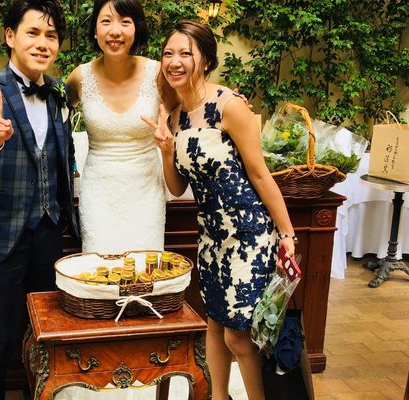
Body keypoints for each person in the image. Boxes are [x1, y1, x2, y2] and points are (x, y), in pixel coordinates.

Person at [142, 21, 297, 400]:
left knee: (238, 336)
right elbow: (177, 187)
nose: (174, 61)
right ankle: (218, 396)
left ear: (207, 60)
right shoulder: (176, 116)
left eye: (186, 53)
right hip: (212, 238)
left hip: (249, 234)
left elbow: (260, 176)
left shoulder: (230, 106)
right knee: (213, 323)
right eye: (168, 53)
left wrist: (287, 234)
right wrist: (166, 149)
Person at [0, 1, 77, 399]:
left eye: (51, 35)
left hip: (48, 232)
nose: (43, 43)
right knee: (0, 336)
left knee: (44, 334)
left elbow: (61, 157)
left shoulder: (58, 93)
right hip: (1, 236)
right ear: (10, 36)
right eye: (33, 33)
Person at [66, 0, 166, 254]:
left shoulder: (157, 73)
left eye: (125, 22)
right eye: (106, 21)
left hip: (146, 193)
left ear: (136, 28)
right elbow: (54, 115)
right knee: (99, 268)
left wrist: (225, 102)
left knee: (144, 270)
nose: (115, 31)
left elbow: (189, 105)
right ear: (95, 30)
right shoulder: (80, 77)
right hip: (98, 194)